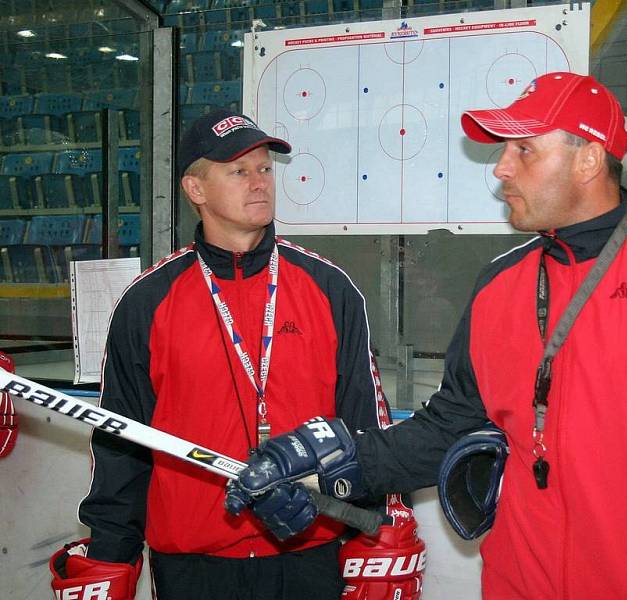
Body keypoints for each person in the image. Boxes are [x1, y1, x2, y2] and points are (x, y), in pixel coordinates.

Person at [226, 72, 627, 599]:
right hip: (517, 582)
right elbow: (446, 426)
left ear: (589, 158)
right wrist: (324, 464)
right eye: (504, 150)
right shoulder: (499, 283)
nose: (500, 169)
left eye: (523, 150)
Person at [50, 108, 424, 600]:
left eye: (265, 169)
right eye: (238, 171)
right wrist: (110, 551)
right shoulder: (148, 302)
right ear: (196, 189)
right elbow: (122, 440)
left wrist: (375, 520)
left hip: (308, 547)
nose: (259, 183)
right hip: (193, 561)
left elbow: (364, 423)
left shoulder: (328, 288)